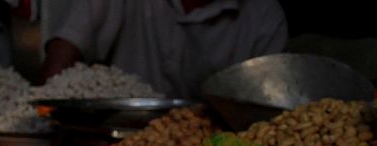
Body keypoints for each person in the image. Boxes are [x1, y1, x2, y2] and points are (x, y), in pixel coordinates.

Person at [41, 0, 288, 98]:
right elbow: (65, 45)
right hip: (116, 136)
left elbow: (266, 107)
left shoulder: (264, 14)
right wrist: (53, 99)